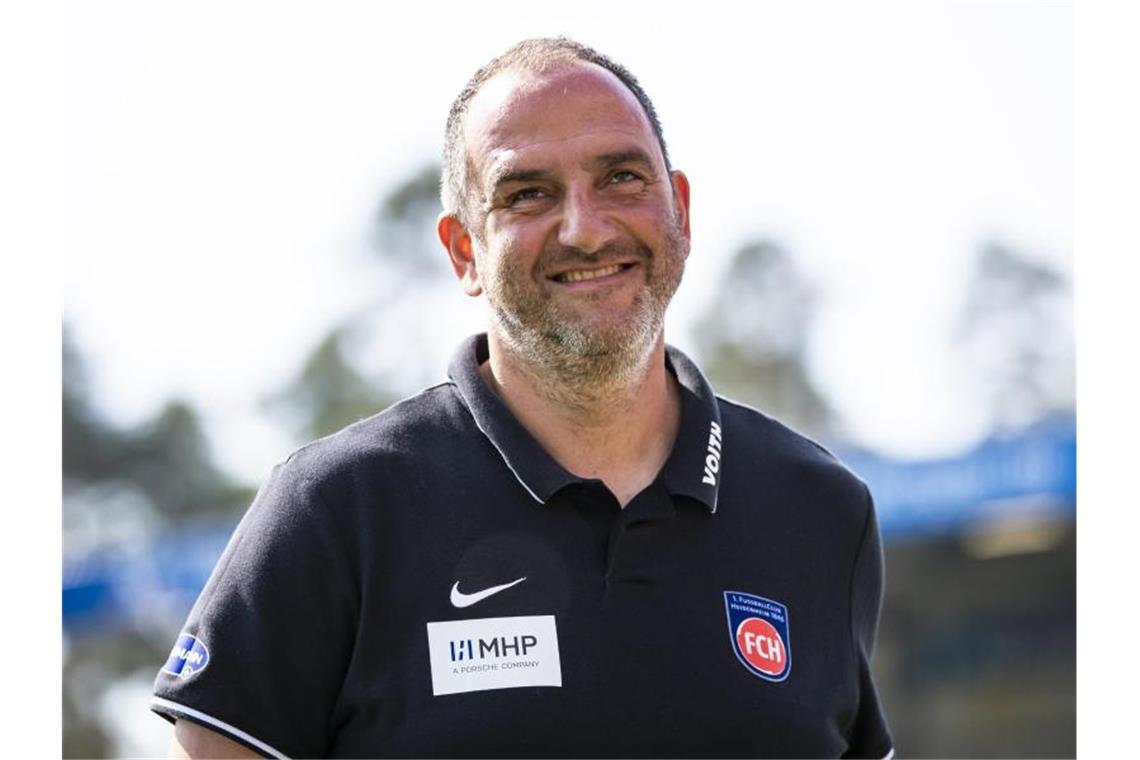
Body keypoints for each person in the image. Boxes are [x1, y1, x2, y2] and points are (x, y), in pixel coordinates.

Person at [152, 37, 894, 759]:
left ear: (682, 212)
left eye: (622, 178)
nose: (585, 228)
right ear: (463, 251)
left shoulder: (824, 513)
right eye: (528, 193)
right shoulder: (337, 507)